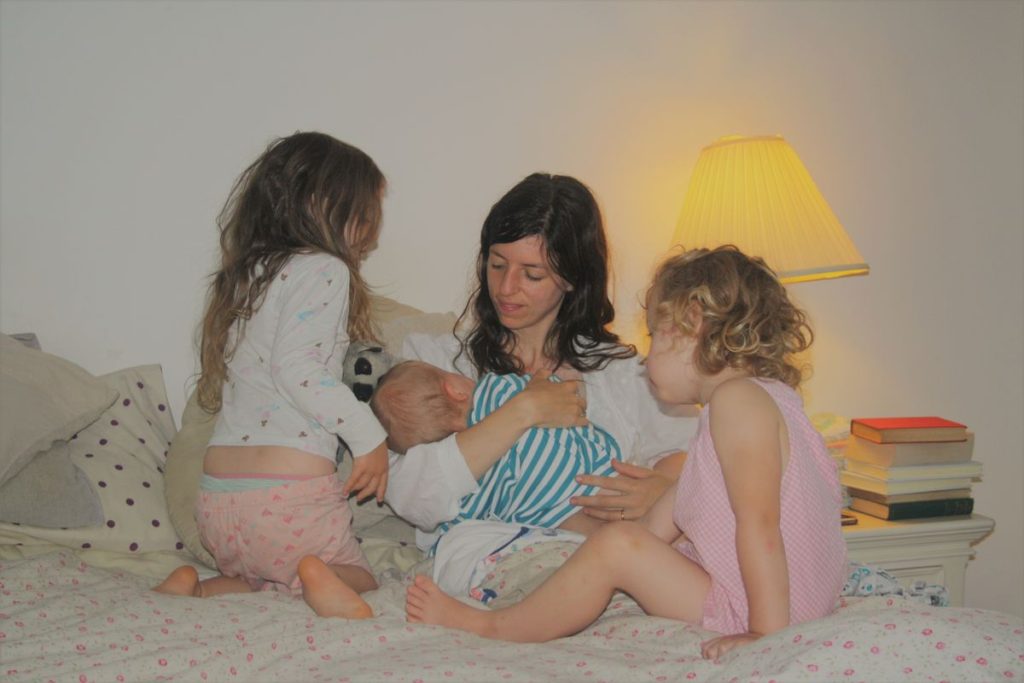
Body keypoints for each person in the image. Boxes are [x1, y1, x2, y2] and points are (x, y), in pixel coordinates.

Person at [405, 245, 848, 660]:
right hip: (798, 599)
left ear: (693, 328)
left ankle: (495, 628)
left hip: (770, 611)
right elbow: (665, 522)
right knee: (618, 547)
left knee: (615, 545)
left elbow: (761, 525)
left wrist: (765, 636)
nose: (646, 359)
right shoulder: (765, 400)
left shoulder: (736, 403)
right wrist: (604, 567)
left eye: (655, 337)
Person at [383, 172, 698, 598]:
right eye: (497, 265)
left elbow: (699, 451)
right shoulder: (438, 364)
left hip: (590, 551)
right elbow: (413, 499)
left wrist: (667, 491)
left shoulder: (622, 373)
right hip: (483, 559)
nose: (506, 288)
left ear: (571, 278)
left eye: (532, 274)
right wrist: (523, 411)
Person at [154, 132, 390, 619]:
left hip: (219, 503)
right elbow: (297, 367)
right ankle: (316, 575)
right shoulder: (324, 269)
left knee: (254, 581)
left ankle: (195, 590)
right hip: (290, 499)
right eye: (364, 209)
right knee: (360, 576)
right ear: (326, 204)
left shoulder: (246, 274)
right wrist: (370, 438)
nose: (370, 224)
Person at [371, 360, 616, 538]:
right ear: (454, 390)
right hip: (596, 473)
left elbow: (469, 518)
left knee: (594, 532)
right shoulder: (497, 388)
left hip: (551, 515)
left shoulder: (466, 490)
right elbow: (563, 396)